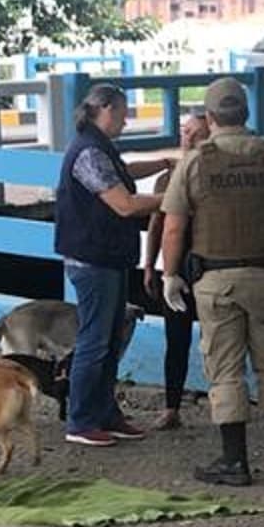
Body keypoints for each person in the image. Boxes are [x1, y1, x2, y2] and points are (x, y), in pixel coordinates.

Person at [160, 77, 264, 487]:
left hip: (216, 280)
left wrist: (170, 274)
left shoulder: (195, 162)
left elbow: (173, 228)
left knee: (225, 370)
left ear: (210, 117)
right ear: (246, 113)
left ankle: (235, 461)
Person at [55, 83, 169, 448]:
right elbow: (125, 204)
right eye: (121, 113)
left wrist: (165, 163)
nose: (124, 120)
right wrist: (177, 198)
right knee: (95, 341)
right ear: (103, 109)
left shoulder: (96, 147)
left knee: (110, 338)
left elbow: (123, 170)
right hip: (93, 259)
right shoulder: (88, 152)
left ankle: (105, 412)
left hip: (108, 256)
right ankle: (82, 418)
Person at [142, 109, 209, 430]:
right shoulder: (168, 177)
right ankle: (172, 406)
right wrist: (149, 265)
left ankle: (224, 400)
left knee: (219, 337)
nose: (189, 137)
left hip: (209, 264)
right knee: (176, 337)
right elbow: (157, 227)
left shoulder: (213, 173)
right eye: (185, 131)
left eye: (196, 132)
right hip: (176, 264)